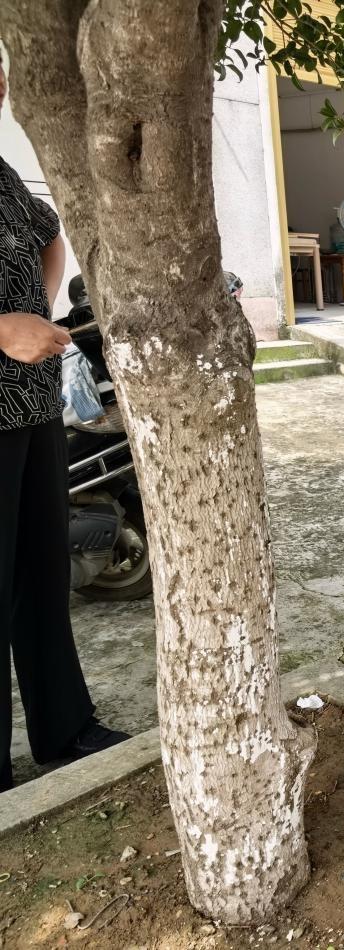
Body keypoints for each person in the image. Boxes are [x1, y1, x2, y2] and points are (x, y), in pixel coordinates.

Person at [0, 55, 130, 792]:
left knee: (43, 574)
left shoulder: (3, 176)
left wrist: (39, 308)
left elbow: (51, 237)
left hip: (34, 406)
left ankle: (65, 729)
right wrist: (1, 328)